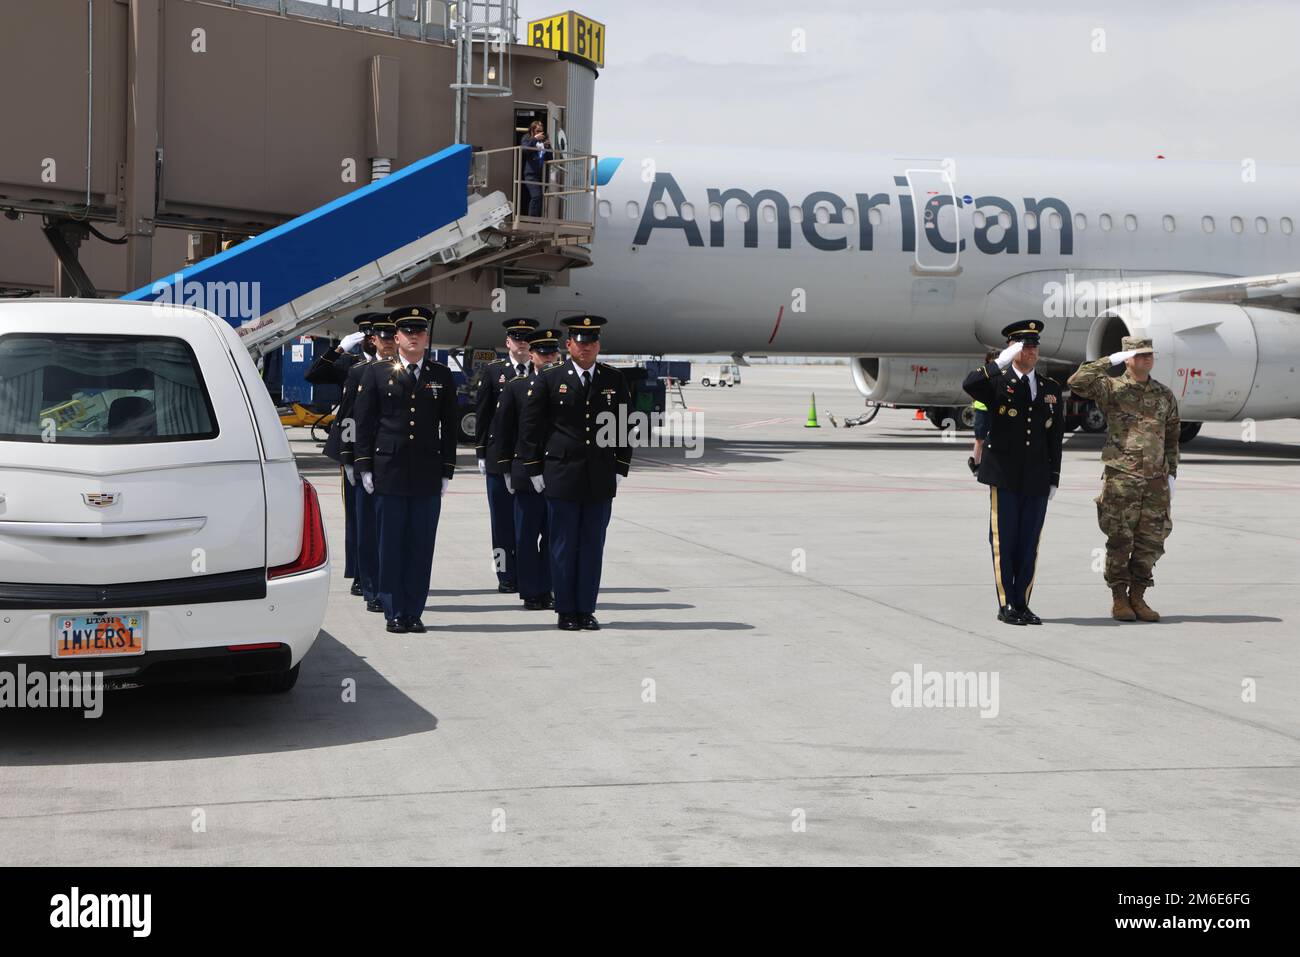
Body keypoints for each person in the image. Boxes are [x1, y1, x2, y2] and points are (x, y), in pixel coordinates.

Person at [518, 315, 633, 631]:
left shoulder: (612, 378)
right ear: (568, 345)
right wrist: (533, 468)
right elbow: (532, 427)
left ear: (598, 345)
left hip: (599, 475)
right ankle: (566, 610)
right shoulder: (551, 377)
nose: (587, 347)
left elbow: (625, 423)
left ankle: (586, 609)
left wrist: (621, 466)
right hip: (561, 473)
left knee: (592, 545)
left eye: (592, 341)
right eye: (581, 342)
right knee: (563, 545)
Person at [352, 306, 459, 634]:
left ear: (426, 337)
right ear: (396, 337)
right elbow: (364, 423)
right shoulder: (377, 373)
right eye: (407, 331)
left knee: (421, 545)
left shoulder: (440, 375)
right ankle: (394, 610)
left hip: (427, 470)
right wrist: (364, 467)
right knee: (391, 543)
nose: (414, 336)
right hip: (390, 469)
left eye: (419, 331)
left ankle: (414, 610)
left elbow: (450, 425)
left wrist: (447, 469)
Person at [1067, 336, 1179, 622]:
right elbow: (1077, 382)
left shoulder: (1164, 394)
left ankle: (1138, 596)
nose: (1146, 359)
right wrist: (1108, 361)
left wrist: (1172, 475)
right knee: (1120, 540)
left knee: (1151, 541)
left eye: (1149, 354)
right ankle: (1119, 597)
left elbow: (1172, 437)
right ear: (1126, 359)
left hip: (1156, 480)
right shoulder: (1112, 388)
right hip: (1122, 476)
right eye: (1139, 355)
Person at [962, 319, 1064, 626]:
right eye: (1025, 346)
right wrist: (997, 364)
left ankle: (1023, 602)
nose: (1032, 352)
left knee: (1029, 543)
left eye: (1034, 346)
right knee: (1004, 541)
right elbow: (970, 384)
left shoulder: (1050, 389)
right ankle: (1006, 604)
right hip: (1004, 476)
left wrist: (1054, 476)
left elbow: (1054, 437)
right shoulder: (996, 382)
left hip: (1036, 476)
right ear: (1012, 348)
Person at [492, 328, 563, 610]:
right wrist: (506, 470)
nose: (547, 357)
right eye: (542, 352)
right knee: (525, 535)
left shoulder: (566, 386)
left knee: (553, 536)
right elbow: (504, 431)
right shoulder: (517, 387)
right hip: (525, 473)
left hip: (558, 473)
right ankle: (531, 590)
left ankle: (548, 587)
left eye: (552, 352)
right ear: (532, 355)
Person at [474, 318, 539, 594]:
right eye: (517, 337)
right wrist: (480, 451)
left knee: (527, 523)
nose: (522, 341)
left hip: (527, 459)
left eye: (526, 337)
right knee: (501, 523)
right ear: (507, 342)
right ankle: (505, 575)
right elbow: (483, 414)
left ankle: (527, 572)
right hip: (497, 457)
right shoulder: (493, 372)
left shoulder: (541, 373)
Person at [317, 314, 379, 595]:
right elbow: (314, 374)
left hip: (379, 447)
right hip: (350, 445)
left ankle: (373, 570)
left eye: (374, 333)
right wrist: (339, 349)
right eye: (365, 334)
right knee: (355, 514)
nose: (369, 338)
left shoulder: (389, 365)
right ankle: (357, 571)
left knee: (375, 513)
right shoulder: (351, 365)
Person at [340, 319, 398, 614]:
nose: (388, 343)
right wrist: (351, 458)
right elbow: (351, 418)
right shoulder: (359, 371)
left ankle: (386, 582)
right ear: (374, 340)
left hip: (395, 463)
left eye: (392, 338)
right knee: (365, 526)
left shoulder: (406, 372)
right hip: (368, 459)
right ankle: (367, 582)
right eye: (383, 338)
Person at [305, 313, 378, 387]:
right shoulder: (347, 363)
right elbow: (312, 376)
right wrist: (339, 349)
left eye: (376, 336)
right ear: (359, 340)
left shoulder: (389, 361)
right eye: (367, 337)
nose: (372, 340)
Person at [967, 349, 1000, 475]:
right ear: (988, 360)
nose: (996, 361)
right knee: (980, 439)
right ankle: (976, 464)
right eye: (994, 358)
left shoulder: (1001, 373)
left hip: (995, 409)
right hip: (982, 409)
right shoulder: (983, 372)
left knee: (995, 438)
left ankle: (991, 464)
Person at [520, 120, 550, 218]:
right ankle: (532, 220)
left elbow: (551, 158)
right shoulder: (527, 138)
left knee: (541, 198)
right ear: (532, 131)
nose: (540, 133)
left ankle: (537, 219)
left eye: (541, 131)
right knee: (536, 196)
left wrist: (548, 147)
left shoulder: (544, 140)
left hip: (542, 174)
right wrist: (534, 139)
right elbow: (524, 150)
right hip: (531, 174)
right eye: (537, 131)